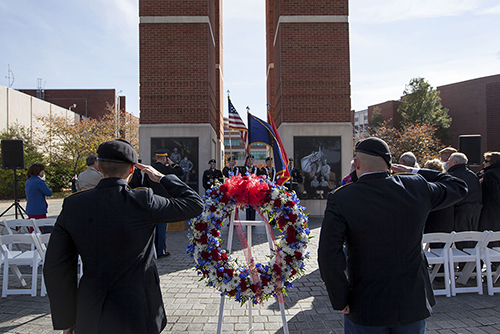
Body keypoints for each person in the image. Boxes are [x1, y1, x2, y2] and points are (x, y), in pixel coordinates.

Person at [43, 139, 203, 334]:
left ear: (100, 168)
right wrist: (162, 177)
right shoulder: (144, 201)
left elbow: (56, 266)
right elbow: (194, 204)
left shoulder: (73, 205)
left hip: (93, 310)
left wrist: (67, 319)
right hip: (140, 309)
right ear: (132, 170)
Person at [318, 137, 467, 333]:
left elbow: (329, 254)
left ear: (357, 164)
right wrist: (414, 171)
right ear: (390, 165)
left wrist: (339, 298)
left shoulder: (342, 197)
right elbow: (458, 185)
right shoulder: (416, 187)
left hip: (365, 304)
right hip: (411, 302)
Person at [144, 149, 184, 258]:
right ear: (164, 159)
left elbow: (144, 185)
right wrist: (173, 164)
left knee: (152, 227)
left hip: (151, 200)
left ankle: (152, 251)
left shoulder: (149, 169)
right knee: (161, 227)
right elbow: (180, 171)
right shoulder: (167, 169)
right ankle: (160, 250)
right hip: (163, 201)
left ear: (156, 158)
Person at [447, 153, 482, 238]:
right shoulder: (472, 175)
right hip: (476, 208)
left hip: (461, 209)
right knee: (472, 237)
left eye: (449, 160)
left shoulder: (452, 176)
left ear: (454, 163)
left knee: (462, 238)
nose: (448, 163)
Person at [423, 159, 454, 235]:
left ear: (433, 170)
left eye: (426, 168)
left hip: (436, 218)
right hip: (446, 219)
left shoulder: (433, 183)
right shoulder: (446, 181)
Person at [478, 152, 500, 234]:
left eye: (486, 161)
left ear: (493, 162)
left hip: (490, 209)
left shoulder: (490, 174)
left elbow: (494, 192)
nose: (484, 163)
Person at [245, 155, 258, 220]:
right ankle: (248, 219)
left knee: (253, 204)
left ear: (253, 160)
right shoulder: (244, 168)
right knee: (247, 205)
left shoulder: (256, 169)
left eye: (252, 159)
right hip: (247, 188)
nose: (250, 161)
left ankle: (253, 219)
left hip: (254, 188)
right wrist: (247, 173)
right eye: (249, 159)